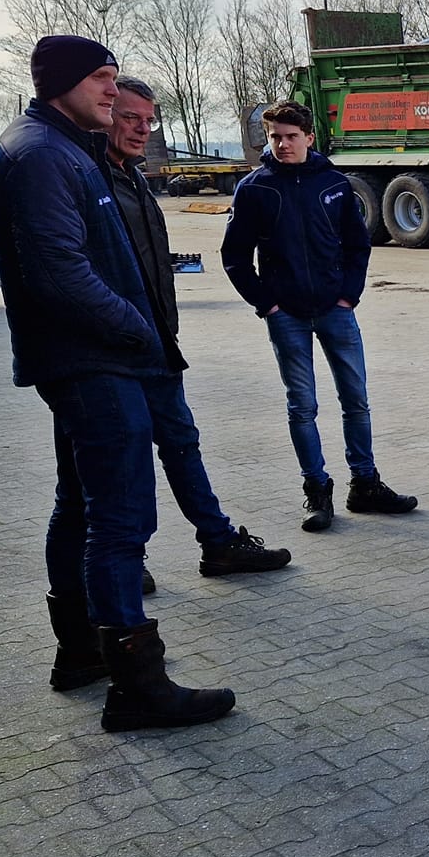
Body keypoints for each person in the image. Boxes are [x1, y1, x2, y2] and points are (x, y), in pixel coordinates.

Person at [0, 35, 234, 732]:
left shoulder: (64, 147)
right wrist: (135, 327)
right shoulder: (41, 154)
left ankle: (81, 653)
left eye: (113, 76)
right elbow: (58, 272)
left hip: (94, 358)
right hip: (94, 362)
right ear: (62, 81)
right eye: (99, 76)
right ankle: (137, 685)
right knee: (120, 519)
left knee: (79, 504)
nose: (109, 89)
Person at [104, 79, 290, 577]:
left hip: (157, 341)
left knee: (182, 442)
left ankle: (218, 542)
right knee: (124, 456)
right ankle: (126, 558)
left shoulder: (133, 178)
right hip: (115, 348)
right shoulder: (91, 181)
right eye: (130, 118)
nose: (142, 130)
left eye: (149, 121)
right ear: (104, 115)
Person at [221, 102, 418, 530]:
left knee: (356, 400)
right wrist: (267, 304)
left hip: (335, 311)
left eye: (291, 136)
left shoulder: (334, 184)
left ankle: (365, 484)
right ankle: (316, 490)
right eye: (275, 137)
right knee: (302, 406)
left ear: (309, 138)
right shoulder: (254, 189)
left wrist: (348, 295)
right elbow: (234, 257)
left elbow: (357, 245)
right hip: (286, 315)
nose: (283, 144)